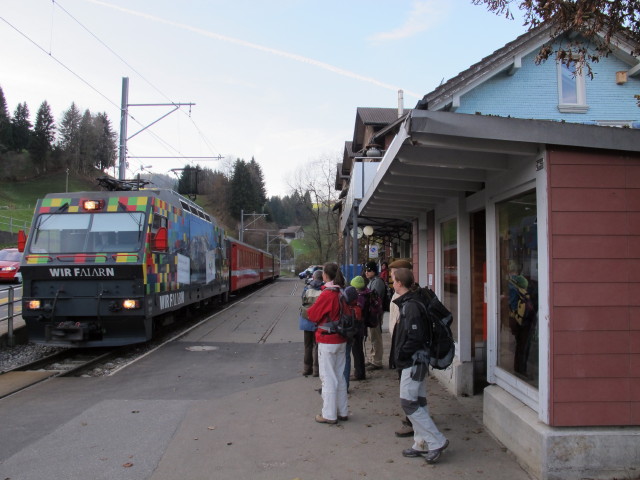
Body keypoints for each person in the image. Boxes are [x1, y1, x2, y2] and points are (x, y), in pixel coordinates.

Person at [393, 267, 449, 464]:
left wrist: (401, 354)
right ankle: (421, 443)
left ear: (399, 283)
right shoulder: (412, 302)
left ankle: (436, 440)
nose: (392, 283)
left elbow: (415, 336)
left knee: (408, 403)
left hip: (413, 361)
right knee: (419, 401)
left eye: (393, 280)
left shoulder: (411, 306)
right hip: (418, 360)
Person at [307, 262, 349, 424]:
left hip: (327, 339)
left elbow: (313, 315)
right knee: (339, 376)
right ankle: (342, 410)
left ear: (325, 275)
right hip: (341, 339)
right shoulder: (341, 293)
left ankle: (329, 414)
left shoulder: (327, 294)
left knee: (328, 377)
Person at [386, 259, 414, 438]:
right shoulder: (399, 294)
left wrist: (401, 351)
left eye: (393, 274)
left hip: (405, 350)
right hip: (400, 346)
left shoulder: (406, 298)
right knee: (408, 388)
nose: (391, 277)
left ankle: (412, 421)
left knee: (409, 389)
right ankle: (412, 417)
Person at [299, 269, 323, 376]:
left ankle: (306, 369)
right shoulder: (324, 289)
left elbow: (303, 301)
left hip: (307, 320)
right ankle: (316, 370)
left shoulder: (307, 288)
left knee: (308, 345)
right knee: (318, 345)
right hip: (319, 321)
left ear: (313, 277)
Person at [344, 275, 368, 384]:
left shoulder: (356, 305)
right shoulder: (364, 296)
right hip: (361, 330)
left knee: (356, 352)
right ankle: (360, 372)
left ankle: (359, 373)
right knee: (359, 352)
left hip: (356, 331)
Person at [364, 261, 385, 371]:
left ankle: (377, 360)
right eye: (366, 270)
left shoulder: (377, 282)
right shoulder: (371, 281)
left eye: (369, 270)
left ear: (374, 271)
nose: (366, 272)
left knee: (376, 336)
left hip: (375, 313)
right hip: (371, 313)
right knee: (372, 336)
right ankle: (373, 358)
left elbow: (374, 297)